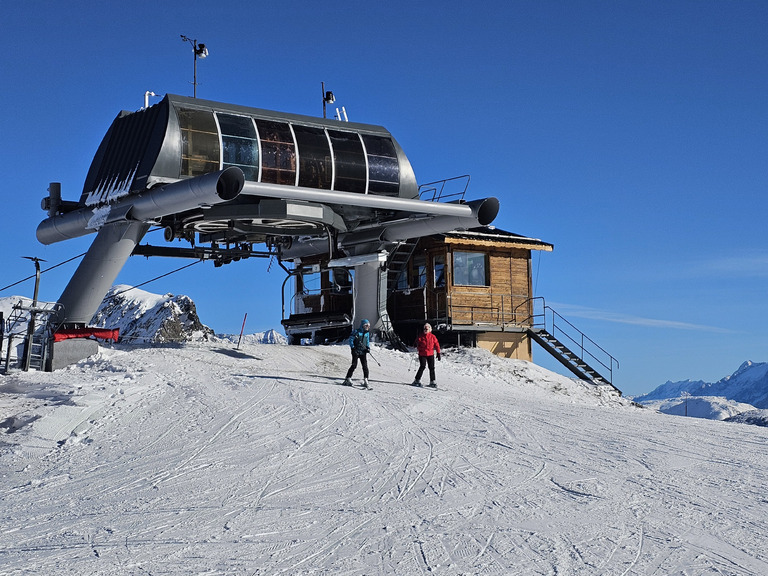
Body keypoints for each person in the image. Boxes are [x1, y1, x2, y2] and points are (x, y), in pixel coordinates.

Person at [342, 319, 371, 388]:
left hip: (363, 351)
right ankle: (348, 378)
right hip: (356, 350)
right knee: (354, 365)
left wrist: (368, 348)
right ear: (363, 325)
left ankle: (366, 379)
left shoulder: (367, 333)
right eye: (366, 325)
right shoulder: (356, 332)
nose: (367, 327)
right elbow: (351, 340)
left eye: (368, 326)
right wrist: (353, 347)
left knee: (365, 366)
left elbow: (367, 341)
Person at [412, 323, 441, 388]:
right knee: (422, 366)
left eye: (426, 329)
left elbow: (437, 345)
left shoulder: (433, 337)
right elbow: (416, 342)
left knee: (432, 368)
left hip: (430, 354)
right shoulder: (420, 336)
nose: (425, 330)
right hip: (422, 354)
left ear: (429, 329)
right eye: (424, 329)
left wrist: (438, 353)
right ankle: (417, 380)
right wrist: (415, 344)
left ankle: (432, 381)